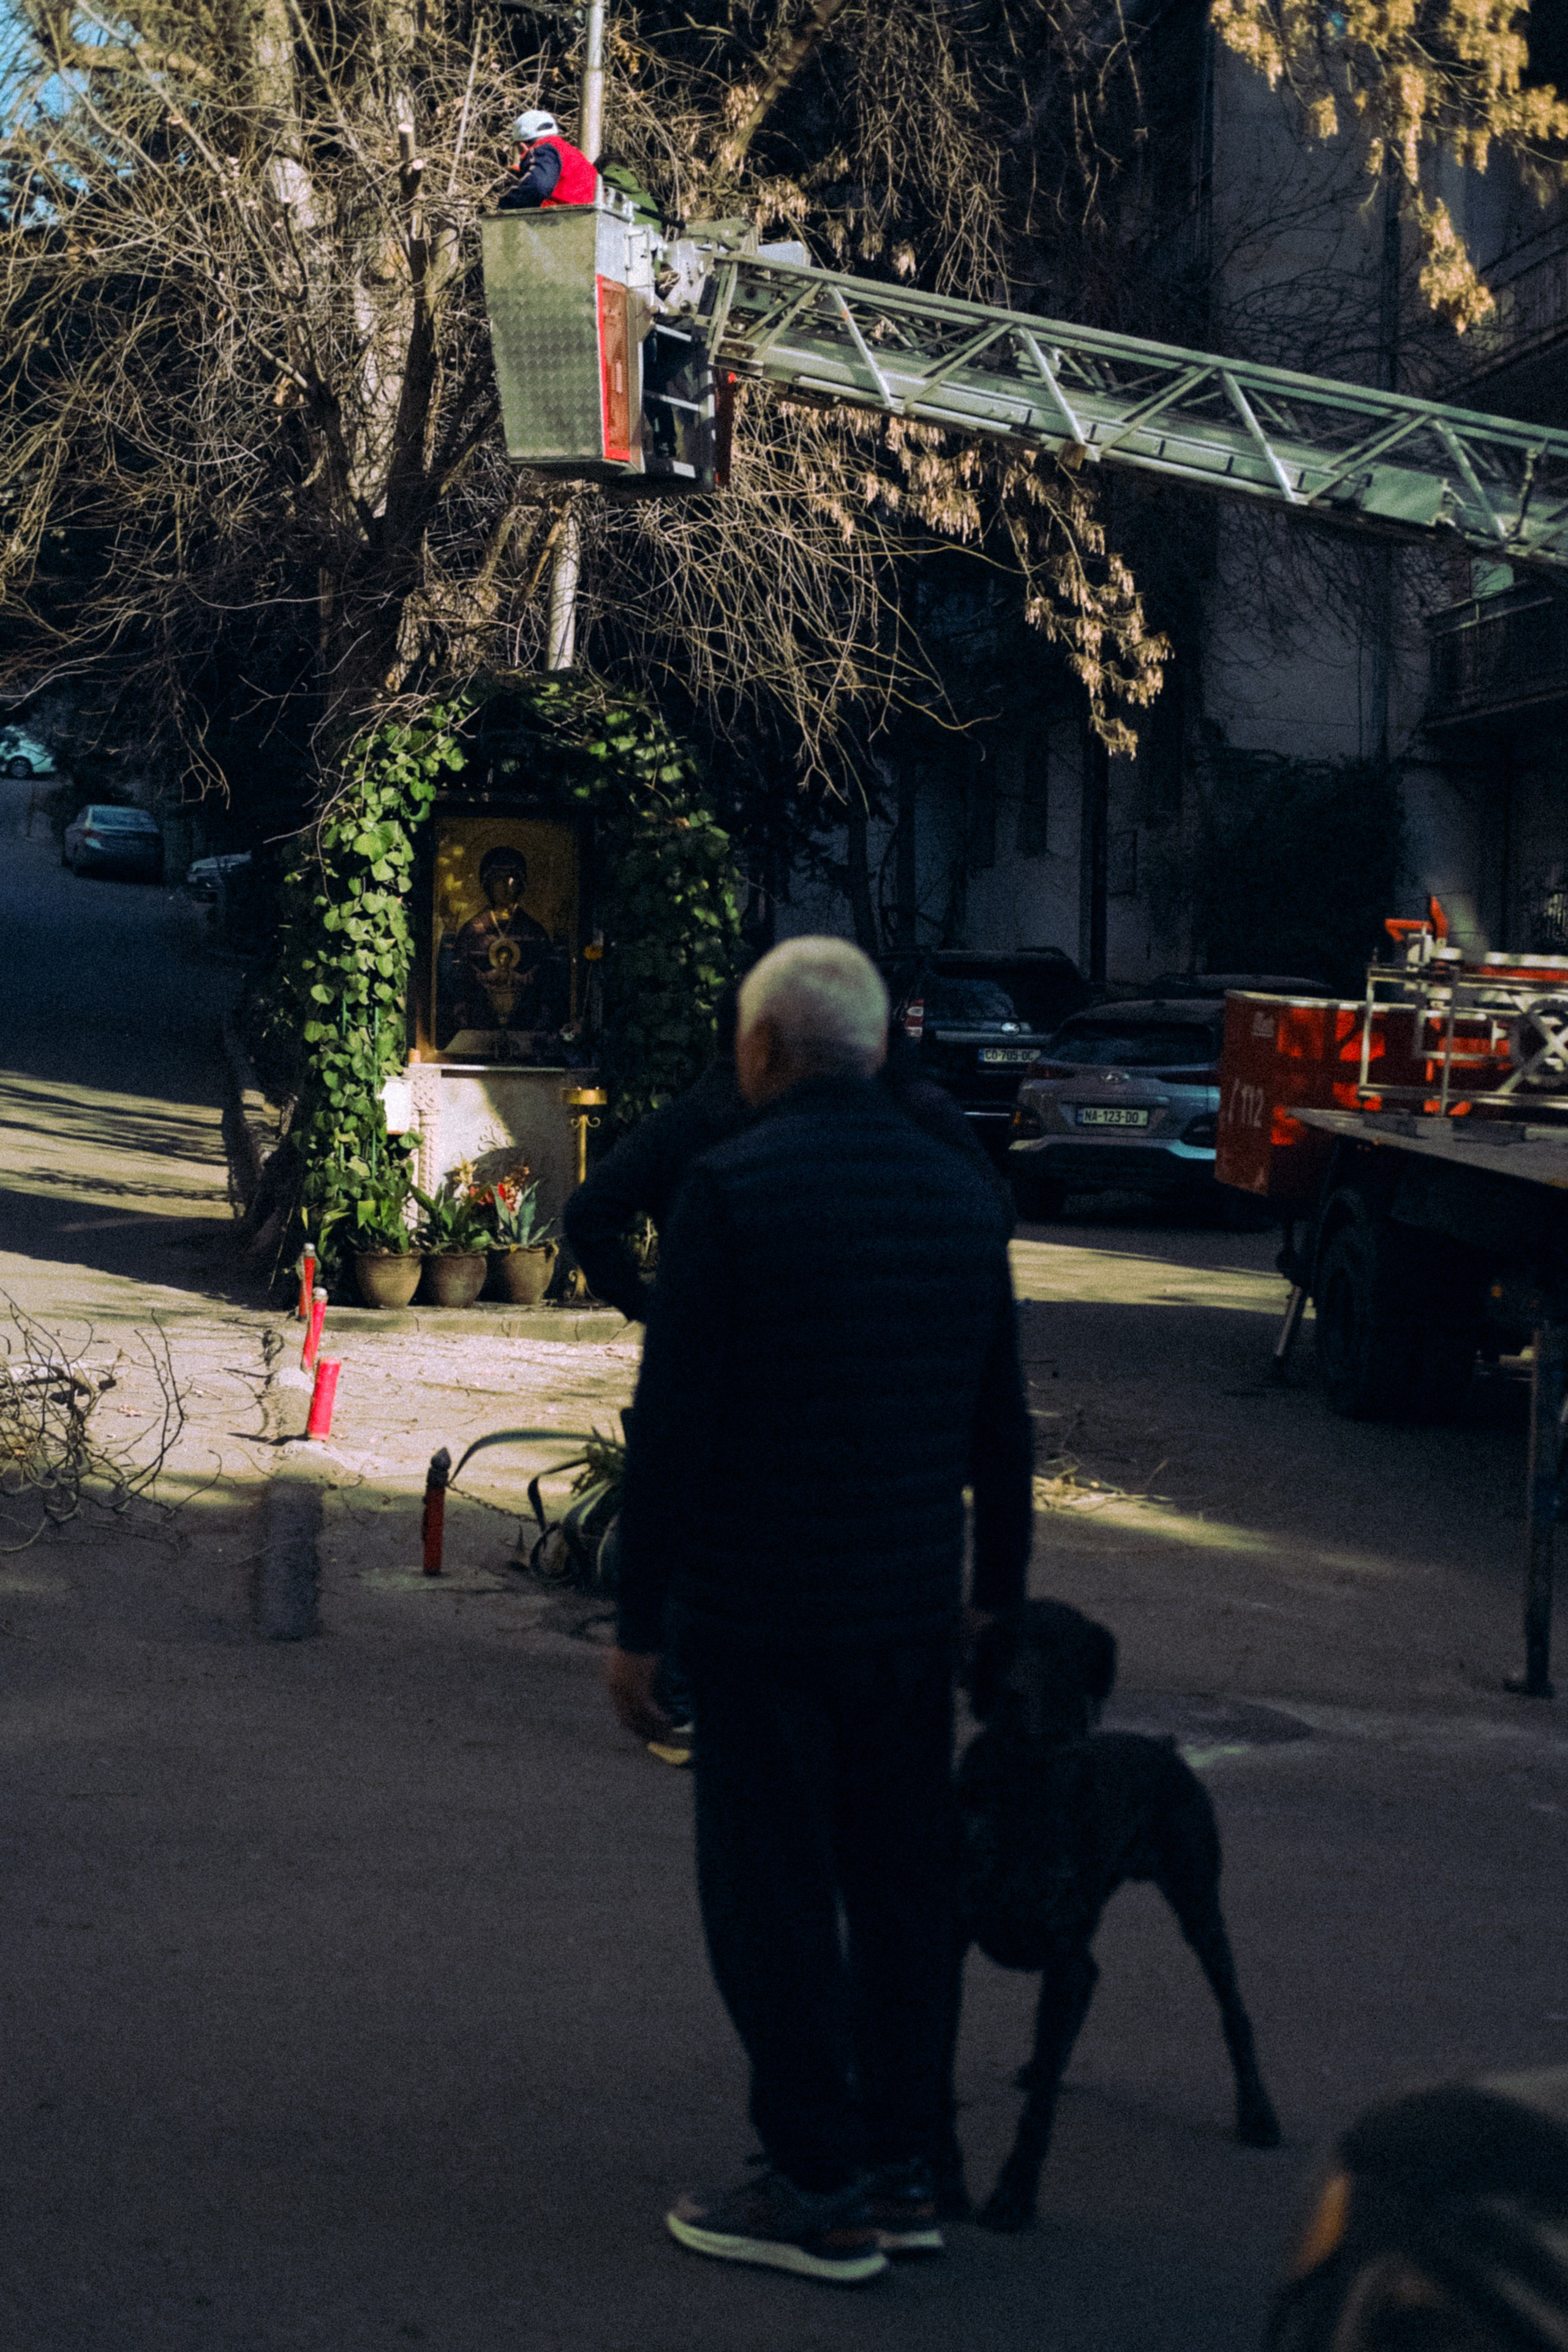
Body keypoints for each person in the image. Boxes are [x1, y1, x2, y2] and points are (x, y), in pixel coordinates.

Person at [603, 936, 1034, 2285]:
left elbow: (670, 1439)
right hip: (908, 1618)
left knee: (771, 1898)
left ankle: (813, 2185)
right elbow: (999, 1432)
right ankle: (902, 2167)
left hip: (762, 1620)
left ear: (763, 1052)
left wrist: (635, 1627)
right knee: (903, 1894)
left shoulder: (730, 1192)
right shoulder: (963, 1196)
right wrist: (993, 1606)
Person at [497, 111, 598, 211]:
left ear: (522, 146)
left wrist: (507, 203)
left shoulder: (543, 150)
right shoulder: (571, 152)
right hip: (586, 215)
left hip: (559, 218)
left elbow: (537, 187)